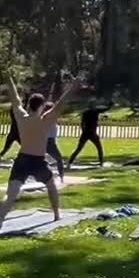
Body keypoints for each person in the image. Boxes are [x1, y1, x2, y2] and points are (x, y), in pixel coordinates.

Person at [0, 71, 80, 231]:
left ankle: (0, 218)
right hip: (37, 161)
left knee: (11, 195)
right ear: (42, 106)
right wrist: (73, 88)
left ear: (29, 104)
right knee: (51, 185)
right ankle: (57, 214)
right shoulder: (45, 120)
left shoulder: (21, 117)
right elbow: (60, 104)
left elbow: (15, 99)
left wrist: (8, 79)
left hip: (22, 159)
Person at [68, 98, 112, 169]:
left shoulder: (86, 112)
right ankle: (101, 163)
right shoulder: (95, 111)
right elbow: (105, 109)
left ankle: (69, 163)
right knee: (99, 148)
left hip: (85, 133)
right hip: (92, 133)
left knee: (79, 148)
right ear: (93, 106)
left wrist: (83, 130)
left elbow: (82, 123)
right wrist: (110, 105)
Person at [43, 103, 65, 181]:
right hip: (48, 142)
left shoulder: (50, 118)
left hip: (48, 142)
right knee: (59, 159)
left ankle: (61, 176)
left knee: (58, 159)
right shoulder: (48, 118)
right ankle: (61, 176)